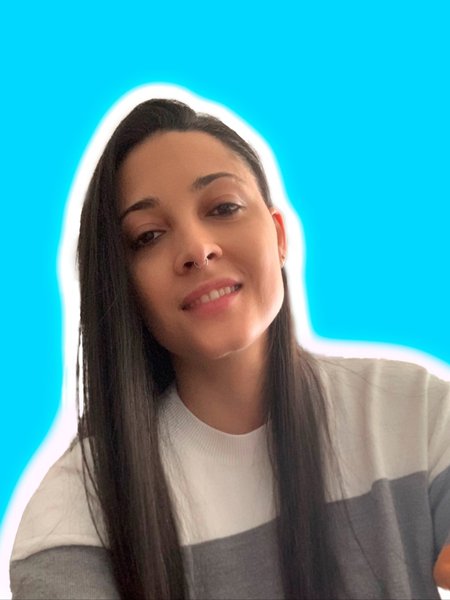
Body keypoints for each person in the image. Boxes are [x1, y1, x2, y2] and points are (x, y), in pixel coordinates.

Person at [9, 98, 450, 599]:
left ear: (279, 235)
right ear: (121, 285)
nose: (197, 250)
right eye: (148, 236)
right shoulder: (71, 519)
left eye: (222, 208)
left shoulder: (412, 410)